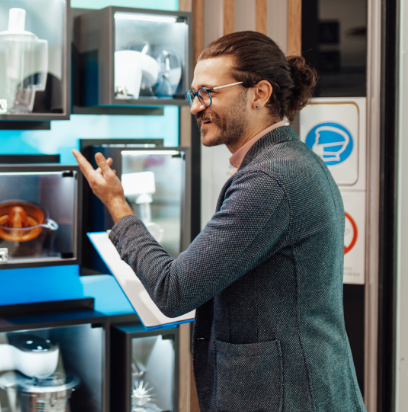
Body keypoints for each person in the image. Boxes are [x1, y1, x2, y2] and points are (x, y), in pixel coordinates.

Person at [73, 31, 365, 411]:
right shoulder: (287, 162)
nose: (196, 107)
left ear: (259, 94)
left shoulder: (270, 179)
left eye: (208, 92)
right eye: (193, 94)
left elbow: (172, 291)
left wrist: (116, 204)